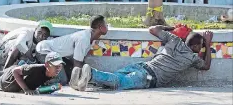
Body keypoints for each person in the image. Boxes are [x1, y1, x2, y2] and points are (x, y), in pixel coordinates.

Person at [74, 26, 213, 91]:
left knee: (114, 79)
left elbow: (152, 29)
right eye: (201, 46)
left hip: (142, 66)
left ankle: (81, 78)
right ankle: (91, 73)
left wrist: (171, 27)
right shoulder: (192, 58)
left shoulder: (174, 39)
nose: (201, 48)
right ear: (195, 47)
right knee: (118, 82)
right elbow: (206, 66)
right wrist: (208, 43)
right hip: (148, 78)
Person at [36, 15, 108, 85]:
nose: (107, 26)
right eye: (106, 25)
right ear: (100, 27)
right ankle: (38, 81)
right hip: (43, 51)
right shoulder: (84, 39)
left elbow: (80, 61)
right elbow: (77, 64)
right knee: (62, 80)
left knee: (70, 73)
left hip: (56, 54)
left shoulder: (89, 37)